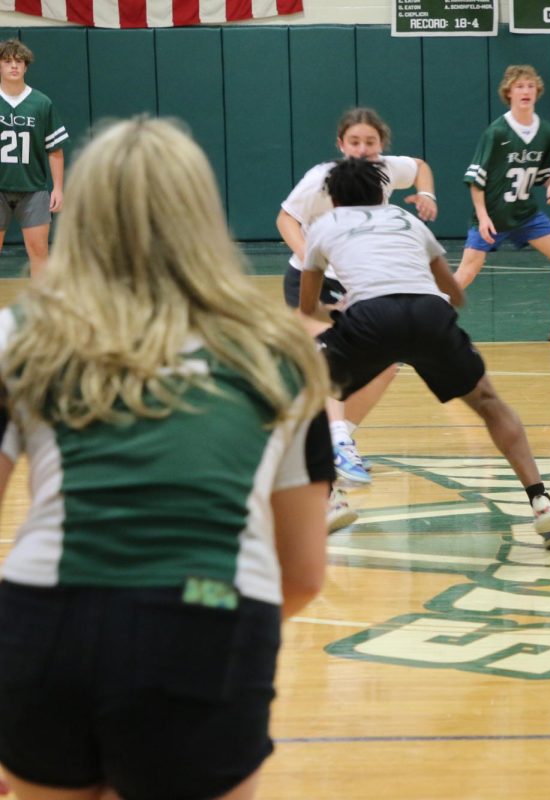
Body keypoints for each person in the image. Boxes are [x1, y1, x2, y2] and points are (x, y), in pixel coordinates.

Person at [0, 117, 331, 799]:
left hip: (43, 622)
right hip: (207, 619)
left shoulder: (20, 333)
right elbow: (300, 574)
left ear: (83, 214)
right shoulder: (281, 349)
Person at [302, 157, 550, 549]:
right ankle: (542, 504)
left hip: (369, 316)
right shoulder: (407, 222)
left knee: (310, 392)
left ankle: (331, 498)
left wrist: (338, 311)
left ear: (336, 198)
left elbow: (307, 308)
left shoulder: (325, 225)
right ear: (381, 193)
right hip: (430, 312)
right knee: (489, 402)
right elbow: (457, 295)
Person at [277, 107, 437, 518]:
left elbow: (419, 165)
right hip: (311, 284)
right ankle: (328, 470)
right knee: (324, 372)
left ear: (381, 144)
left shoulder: (387, 170)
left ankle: (339, 440)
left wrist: (426, 192)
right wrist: (310, 256)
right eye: (354, 142)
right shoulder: (321, 178)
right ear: (340, 145)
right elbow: (286, 219)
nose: (363, 150)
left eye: (370, 142)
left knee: (385, 363)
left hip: (355, 284)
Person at [453, 65, 550, 343]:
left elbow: (544, 172)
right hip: (493, 214)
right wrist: (482, 217)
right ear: (509, 93)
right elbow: (475, 180)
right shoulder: (497, 132)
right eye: (519, 86)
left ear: (537, 92)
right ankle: (424, 323)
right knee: (468, 270)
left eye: (530, 86)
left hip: (525, 213)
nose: (525, 91)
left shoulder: (545, 131)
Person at [0, 39, 67, 280]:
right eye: (7, 61)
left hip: (34, 189)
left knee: (39, 251)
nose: (13, 66)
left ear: (26, 67)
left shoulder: (41, 102)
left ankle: (42, 311)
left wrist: (58, 188)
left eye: (19, 61)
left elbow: (55, 148)